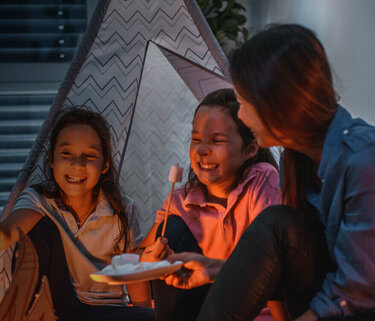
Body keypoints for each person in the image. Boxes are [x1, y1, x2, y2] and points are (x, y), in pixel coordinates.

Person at [163, 24, 375, 321]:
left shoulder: (363, 160)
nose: (240, 115)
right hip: (334, 299)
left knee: (276, 221)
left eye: (245, 103)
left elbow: (357, 291)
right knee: (279, 224)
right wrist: (214, 268)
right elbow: (294, 263)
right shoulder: (296, 160)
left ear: (279, 103)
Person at [0, 107, 154, 321]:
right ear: (51, 159)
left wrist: (146, 312)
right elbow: (8, 232)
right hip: (60, 307)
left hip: (106, 311)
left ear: (104, 165)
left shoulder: (121, 209)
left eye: (89, 156)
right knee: (40, 230)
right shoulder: (38, 199)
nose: (77, 164)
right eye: (66, 154)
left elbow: (133, 274)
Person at [141, 88, 281, 321]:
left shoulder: (261, 181)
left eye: (217, 140)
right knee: (171, 228)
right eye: (196, 139)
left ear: (250, 148)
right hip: (203, 310)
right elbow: (138, 255)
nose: (202, 150)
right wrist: (149, 261)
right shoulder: (180, 200)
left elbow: (271, 266)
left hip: (254, 312)